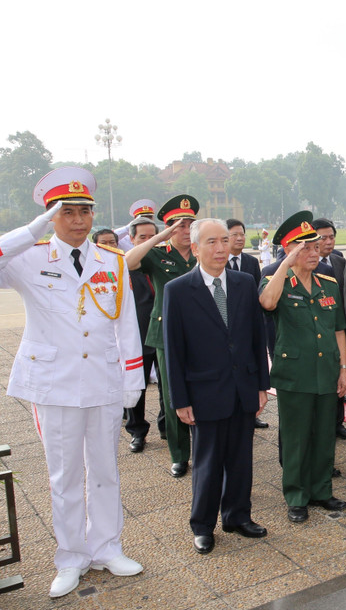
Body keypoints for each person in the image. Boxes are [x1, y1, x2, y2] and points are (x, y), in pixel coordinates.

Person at [0, 167, 144, 597]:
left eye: (85, 211)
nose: (79, 220)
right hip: (54, 382)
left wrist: (132, 378)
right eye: (67, 212)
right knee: (63, 475)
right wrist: (30, 231)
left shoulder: (113, 261)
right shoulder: (28, 257)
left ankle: (106, 547)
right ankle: (70, 557)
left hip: (102, 377)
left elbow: (126, 325)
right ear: (50, 216)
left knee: (105, 468)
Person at [163, 218, 270, 555]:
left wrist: (262, 385)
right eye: (212, 242)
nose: (221, 248)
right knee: (207, 464)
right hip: (204, 391)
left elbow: (256, 337)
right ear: (194, 248)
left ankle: (237, 516)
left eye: (225, 240)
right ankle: (203, 525)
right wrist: (180, 399)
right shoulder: (178, 290)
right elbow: (174, 350)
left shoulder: (243, 282)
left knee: (241, 459)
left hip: (243, 387)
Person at [260, 212, 346, 523]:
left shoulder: (328, 284)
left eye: (315, 248)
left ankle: (321, 491)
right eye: (305, 249)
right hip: (294, 375)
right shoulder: (277, 282)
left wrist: (343, 369)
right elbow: (267, 304)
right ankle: (296, 496)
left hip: (326, 371)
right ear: (289, 250)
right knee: (297, 437)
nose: (314, 254)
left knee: (324, 435)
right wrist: (286, 264)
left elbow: (339, 329)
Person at [125, 195, 199, 478]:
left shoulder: (200, 253)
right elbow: (128, 262)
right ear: (167, 228)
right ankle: (179, 454)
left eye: (189, 225)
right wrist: (160, 238)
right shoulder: (157, 254)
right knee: (173, 395)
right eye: (178, 226)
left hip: (200, 334)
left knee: (201, 392)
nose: (184, 230)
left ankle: (204, 447)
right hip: (166, 334)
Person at [311, 218, 346, 437]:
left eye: (331, 237)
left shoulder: (339, 260)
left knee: (341, 372)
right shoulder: (307, 264)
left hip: (340, 328)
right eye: (323, 237)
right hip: (319, 332)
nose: (328, 241)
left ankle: (338, 422)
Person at [124, 217, 162, 452]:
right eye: (142, 238)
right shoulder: (128, 263)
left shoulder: (165, 261)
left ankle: (168, 426)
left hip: (163, 333)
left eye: (153, 236)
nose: (149, 241)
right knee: (136, 386)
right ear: (131, 239)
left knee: (168, 385)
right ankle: (137, 430)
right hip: (137, 333)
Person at [226, 218, 268, 429]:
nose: (240, 238)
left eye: (242, 234)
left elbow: (257, 294)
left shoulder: (251, 262)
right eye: (235, 234)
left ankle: (252, 412)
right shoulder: (218, 261)